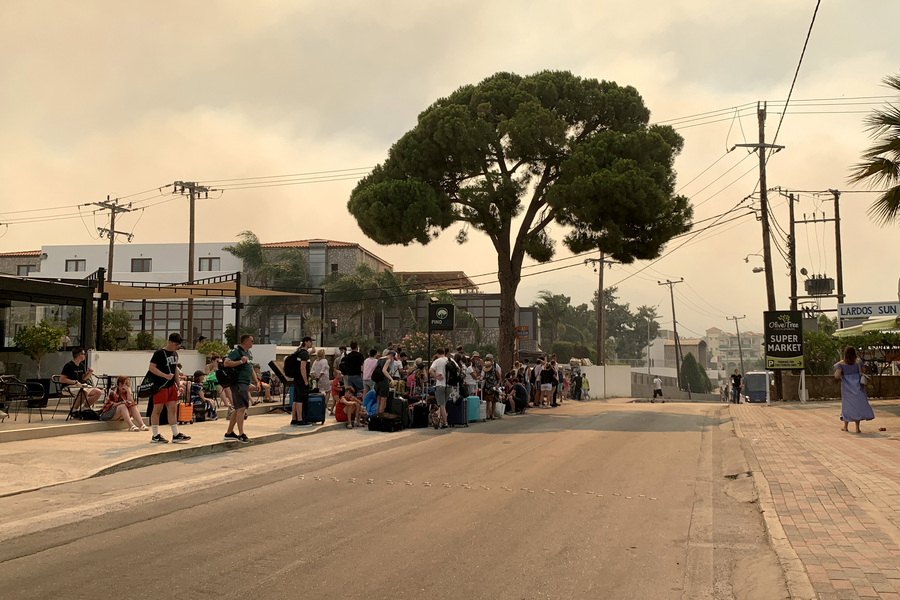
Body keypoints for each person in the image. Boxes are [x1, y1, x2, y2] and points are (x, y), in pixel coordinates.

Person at [148, 333, 191, 444]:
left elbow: (175, 370)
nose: (176, 347)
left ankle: (176, 434)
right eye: (175, 344)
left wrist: (178, 384)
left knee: (172, 408)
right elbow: (151, 368)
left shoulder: (175, 354)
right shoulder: (159, 353)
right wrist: (164, 375)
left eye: (178, 345)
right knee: (157, 409)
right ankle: (155, 435)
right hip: (160, 385)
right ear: (170, 342)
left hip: (171, 386)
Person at [222, 334, 256, 443]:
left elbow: (250, 368)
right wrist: (240, 361)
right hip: (238, 382)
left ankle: (229, 432)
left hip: (245, 382)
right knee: (241, 408)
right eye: (251, 341)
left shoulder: (248, 353)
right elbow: (226, 363)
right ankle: (241, 434)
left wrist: (256, 381)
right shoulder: (236, 352)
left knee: (238, 408)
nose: (253, 343)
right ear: (245, 341)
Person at [835, 346, 875, 433]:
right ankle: (857, 428)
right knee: (857, 406)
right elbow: (863, 371)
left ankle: (845, 426)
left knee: (847, 406)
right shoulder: (858, 362)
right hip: (858, 386)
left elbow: (836, 376)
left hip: (846, 387)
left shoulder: (841, 364)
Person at [289, 337, 314, 426]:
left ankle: (294, 419)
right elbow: (302, 368)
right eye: (310, 342)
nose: (311, 343)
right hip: (301, 379)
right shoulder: (304, 354)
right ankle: (300, 420)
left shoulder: (298, 352)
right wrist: (306, 380)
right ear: (306, 342)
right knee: (300, 399)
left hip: (296, 379)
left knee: (295, 399)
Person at [429, 348, 451, 429]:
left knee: (442, 406)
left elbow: (430, 371)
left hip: (440, 385)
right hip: (448, 385)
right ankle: (439, 419)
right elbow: (458, 369)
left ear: (438, 354)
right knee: (444, 405)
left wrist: (436, 377)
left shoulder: (437, 361)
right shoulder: (449, 360)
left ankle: (445, 422)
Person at [374, 350, 395, 415]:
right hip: (384, 381)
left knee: (378, 400)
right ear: (391, 356)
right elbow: (384, 370)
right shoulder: (388, 360)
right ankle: (381, 417)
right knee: (383, 400)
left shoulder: (379, 359)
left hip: (377, 381)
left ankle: (376, 415)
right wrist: (391, 379)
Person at [482, 354, 502, 419]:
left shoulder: (495, 370)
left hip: (494, 387)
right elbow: (485, 377)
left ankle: (492, 414)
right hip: (487, 387)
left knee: (494, 401)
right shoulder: (486, 371)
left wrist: (498, 385)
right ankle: (487, 414)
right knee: (487, 401)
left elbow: (499, 378)